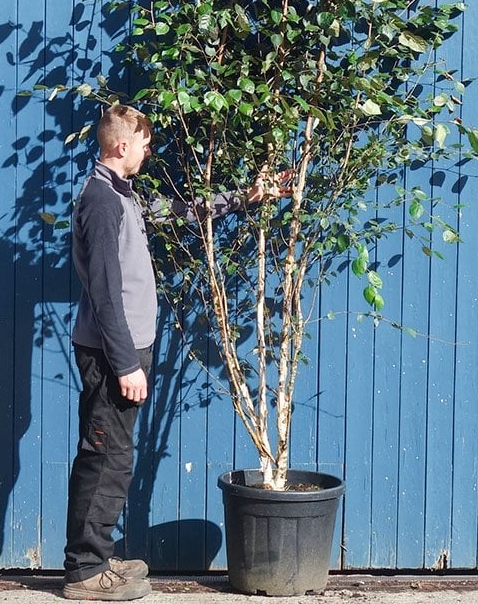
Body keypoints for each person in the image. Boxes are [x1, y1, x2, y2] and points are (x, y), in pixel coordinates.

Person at [62, 104, 287, 601]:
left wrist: (246, 196)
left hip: (121, 350)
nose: (148, 151)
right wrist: (124, 364)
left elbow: (177, 210)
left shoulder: (122, 194)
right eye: (143, 143)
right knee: (106, 459)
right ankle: (84, 572)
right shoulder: (101, 200)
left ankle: (96, 558)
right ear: (122, 146)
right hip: (110, 355)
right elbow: (103, 290)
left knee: (112, 457)